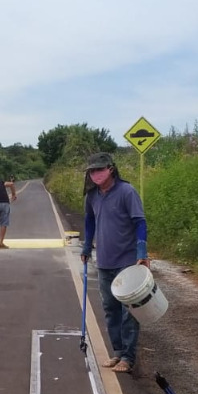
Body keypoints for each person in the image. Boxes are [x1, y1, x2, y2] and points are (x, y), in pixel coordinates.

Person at [79, 152, 149, 374]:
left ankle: (128, 357)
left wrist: (142, 251)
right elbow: (90, 221)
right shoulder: (92, 196)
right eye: (92, 171)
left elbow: (140, 222)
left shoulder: (126, 192)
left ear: (110, 169)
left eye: (99, 170)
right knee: (110, 308)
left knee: (129, 310)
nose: (95, 175)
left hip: (127, 261)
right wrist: (86, 245)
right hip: (105, 261)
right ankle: (118, 352)